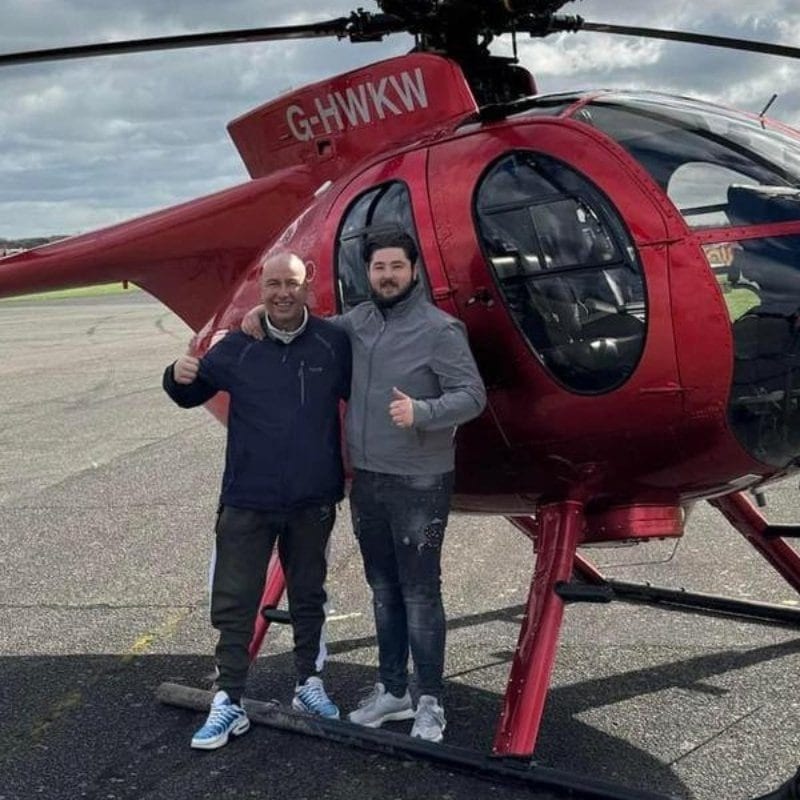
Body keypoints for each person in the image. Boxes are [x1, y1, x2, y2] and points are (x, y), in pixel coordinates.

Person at [243, 229, 486, 743]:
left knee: (420, 592)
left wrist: (423, 412)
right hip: (369, 480)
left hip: (421, 480)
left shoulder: (440, 330)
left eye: (397, 266)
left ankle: (430, 701)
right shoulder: (357, 323)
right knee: (383, 590)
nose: (388, 276)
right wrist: (260, 315)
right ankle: (393, 691)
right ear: (369, 273)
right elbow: (306, 327)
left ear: (414, 271)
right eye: (379, 268)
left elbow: (472, 395)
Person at [163, 252, 351, 750]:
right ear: (261, 289)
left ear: (307, 285)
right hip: (248, 497)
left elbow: (365, 390)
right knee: (235, 601)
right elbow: (188, 394)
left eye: (291, 283)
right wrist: (176, 373)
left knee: (308, 594)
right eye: (273, 284)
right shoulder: (237, 346)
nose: (282, 293)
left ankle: (309, 683)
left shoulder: (333, 342)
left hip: (312, 498)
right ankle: (229, 699)